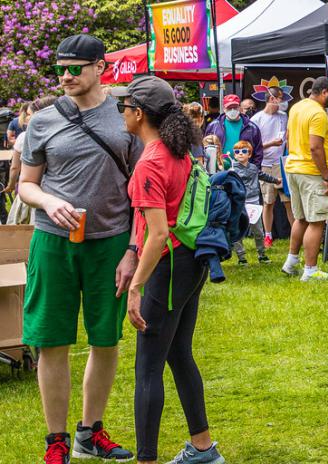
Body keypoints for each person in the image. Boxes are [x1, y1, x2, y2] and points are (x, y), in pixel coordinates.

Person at [18, 33, 140, 463]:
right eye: (60, 69)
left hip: (109, 242)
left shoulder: (127, 116)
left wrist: (132, 250)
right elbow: (27, 185)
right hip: (53, 241)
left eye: (75, 69)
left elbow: (141, 191)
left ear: (100, 68)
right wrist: (50, 200)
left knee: (105, 339)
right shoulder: (43, 121)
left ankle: (91, 433)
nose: (66, 77)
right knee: (51, 341)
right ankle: (56, 442)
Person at [112, 75, 225, 464]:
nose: (121, 113)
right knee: (179, 355)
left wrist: (136, 286)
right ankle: (203, 448)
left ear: (139, 113)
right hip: (191, 263)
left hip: (168, 266)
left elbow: (158, 234)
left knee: (147, 370)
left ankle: (146, 459)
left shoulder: (151, 163)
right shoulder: (179, 152)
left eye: (123, 107)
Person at [281, 77, 328, 282]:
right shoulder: (318, 114)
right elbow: (316, 147)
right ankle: (310, 270)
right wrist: (326, 177)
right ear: (324, 92)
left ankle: (290, 263)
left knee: (301, 218)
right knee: (317, 221)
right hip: (311, 172)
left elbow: (287, 136)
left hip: (294, 168)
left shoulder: (297, 107)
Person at [4, 96, 57, 225]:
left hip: (33, 191)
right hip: (58, 192)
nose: (27, 118)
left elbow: (15, 167)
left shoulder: (24, 137)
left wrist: (11, 185)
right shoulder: (64, 134)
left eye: (29, 114)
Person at [250, 87, 292, 248]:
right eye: (280, 98)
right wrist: (272, 143)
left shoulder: (283, 116)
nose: (282, 102)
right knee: (269, 202)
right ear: (271, 98)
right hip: (266, 165)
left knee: (288, 201)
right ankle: (268, 235)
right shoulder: (257, 119)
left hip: (282, 164)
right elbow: (254, 146)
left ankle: (295, 233)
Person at [230, 140, 281, 265]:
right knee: (237, 232)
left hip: (253, 203)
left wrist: (275, 180)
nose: (240, 154)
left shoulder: (253, 168)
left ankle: (262, 254)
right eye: (237, 151)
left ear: (250, 154)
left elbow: (263, 175)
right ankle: (241, 257)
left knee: (258, 231)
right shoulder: (232, 170)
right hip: (239, 204)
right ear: (234, 154)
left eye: (244, 151)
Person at [204, 94, 264, 168]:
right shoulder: (214, 126)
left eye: (235, 107)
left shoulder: (252, 127)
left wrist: (253, 170)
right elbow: (206, 147)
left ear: (239, 108)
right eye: (229, 108)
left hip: (244, 172)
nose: (232, 110)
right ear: (224, 109)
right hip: (219, 171)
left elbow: (258, 152)